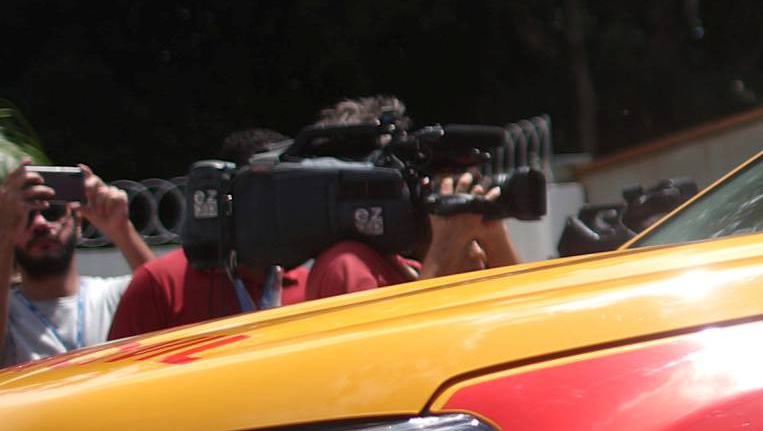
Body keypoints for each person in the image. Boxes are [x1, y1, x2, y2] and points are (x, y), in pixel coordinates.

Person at [300, 96, 521, 302]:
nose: (418, 183)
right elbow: (401, 342)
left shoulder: (405, 264)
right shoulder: (348, 264)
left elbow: (522, 312)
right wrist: (446, 248)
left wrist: (493, 236)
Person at [108, 129, 307, 339]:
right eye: (271, 195)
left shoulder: (308, 284)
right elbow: (118, 370)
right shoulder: (159, 284)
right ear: (228, 196)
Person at [1, 161, 155, 366]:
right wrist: (4, 234)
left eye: (53, 212)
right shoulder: (9, 311)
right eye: (25, 217)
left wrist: (122, 230)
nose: (40, 224)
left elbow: (169, 306)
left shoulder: (114, 295)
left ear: (78, 223)